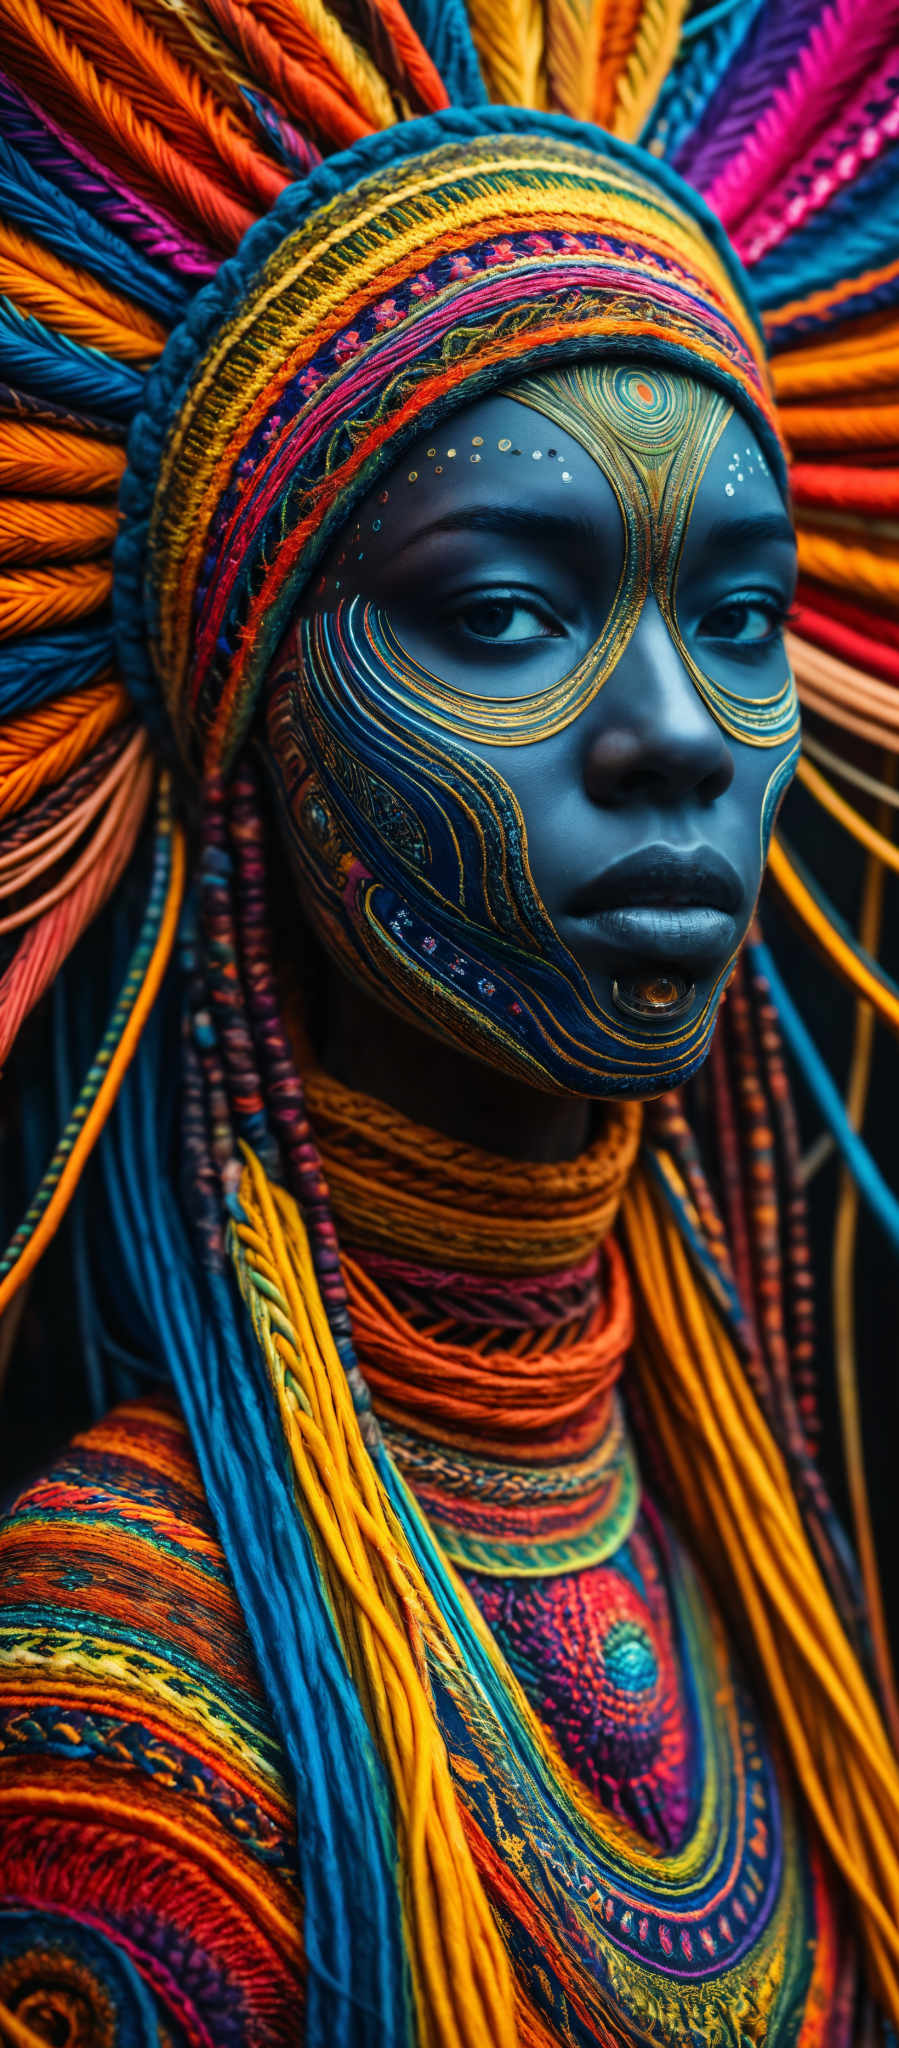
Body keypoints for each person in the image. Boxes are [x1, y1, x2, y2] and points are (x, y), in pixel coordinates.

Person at [0, 5, 898, 2044]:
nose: (680, 735)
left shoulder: (740, 1541)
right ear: (253, 715)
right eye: (504, 614)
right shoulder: (133, 1685)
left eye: (741, 617)